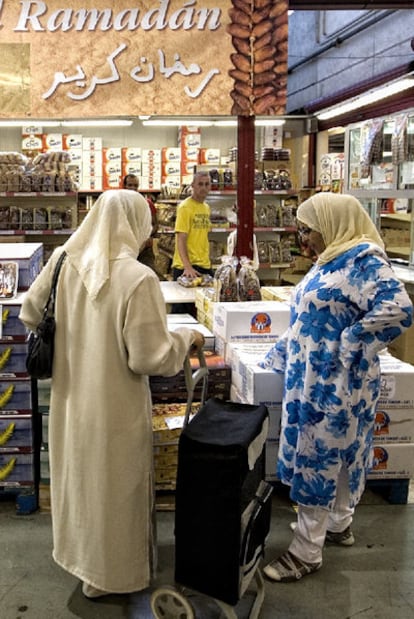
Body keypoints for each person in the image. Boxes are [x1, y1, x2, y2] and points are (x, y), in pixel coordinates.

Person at [19, 189, 205, 599]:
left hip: (70, 403)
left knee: (80, 483)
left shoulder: (64, 261)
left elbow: (30, 313)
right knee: (116, 489)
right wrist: (186, 337)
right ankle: (113, 576)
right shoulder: (137, 278)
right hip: (115, 409)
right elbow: (149, 357)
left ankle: (82, 563)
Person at [259, 192, 413, 583]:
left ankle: (306, 552)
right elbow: (309, 315)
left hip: (336, 383)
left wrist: (350, 343)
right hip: (313, 378)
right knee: (342, 454)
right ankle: (339, 523)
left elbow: (399, 309)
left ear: (333, 223)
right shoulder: (330, 259)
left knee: (319, 456)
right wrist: (279, 355)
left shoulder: (363, 259)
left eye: (308, 229)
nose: (303, 238)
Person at [171, 171, 213, 314]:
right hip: (186, 268)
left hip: (203, 266)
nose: (203, 187)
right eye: (200, 184)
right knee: (182, 314)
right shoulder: (185, 207)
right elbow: (181, 238)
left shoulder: (206, 208)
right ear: (193, 186)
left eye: (207, 184)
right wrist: (187, 267)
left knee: (202, 312)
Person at [123, 173, 159, 275]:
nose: (133, 188)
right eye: (130, 185)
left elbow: (155, 224)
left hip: (145, 250)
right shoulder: (120, 204)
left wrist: (148, 236)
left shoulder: (147, 203)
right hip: (126, 249)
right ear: (124, 186)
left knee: (147, 276)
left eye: (135, 186)